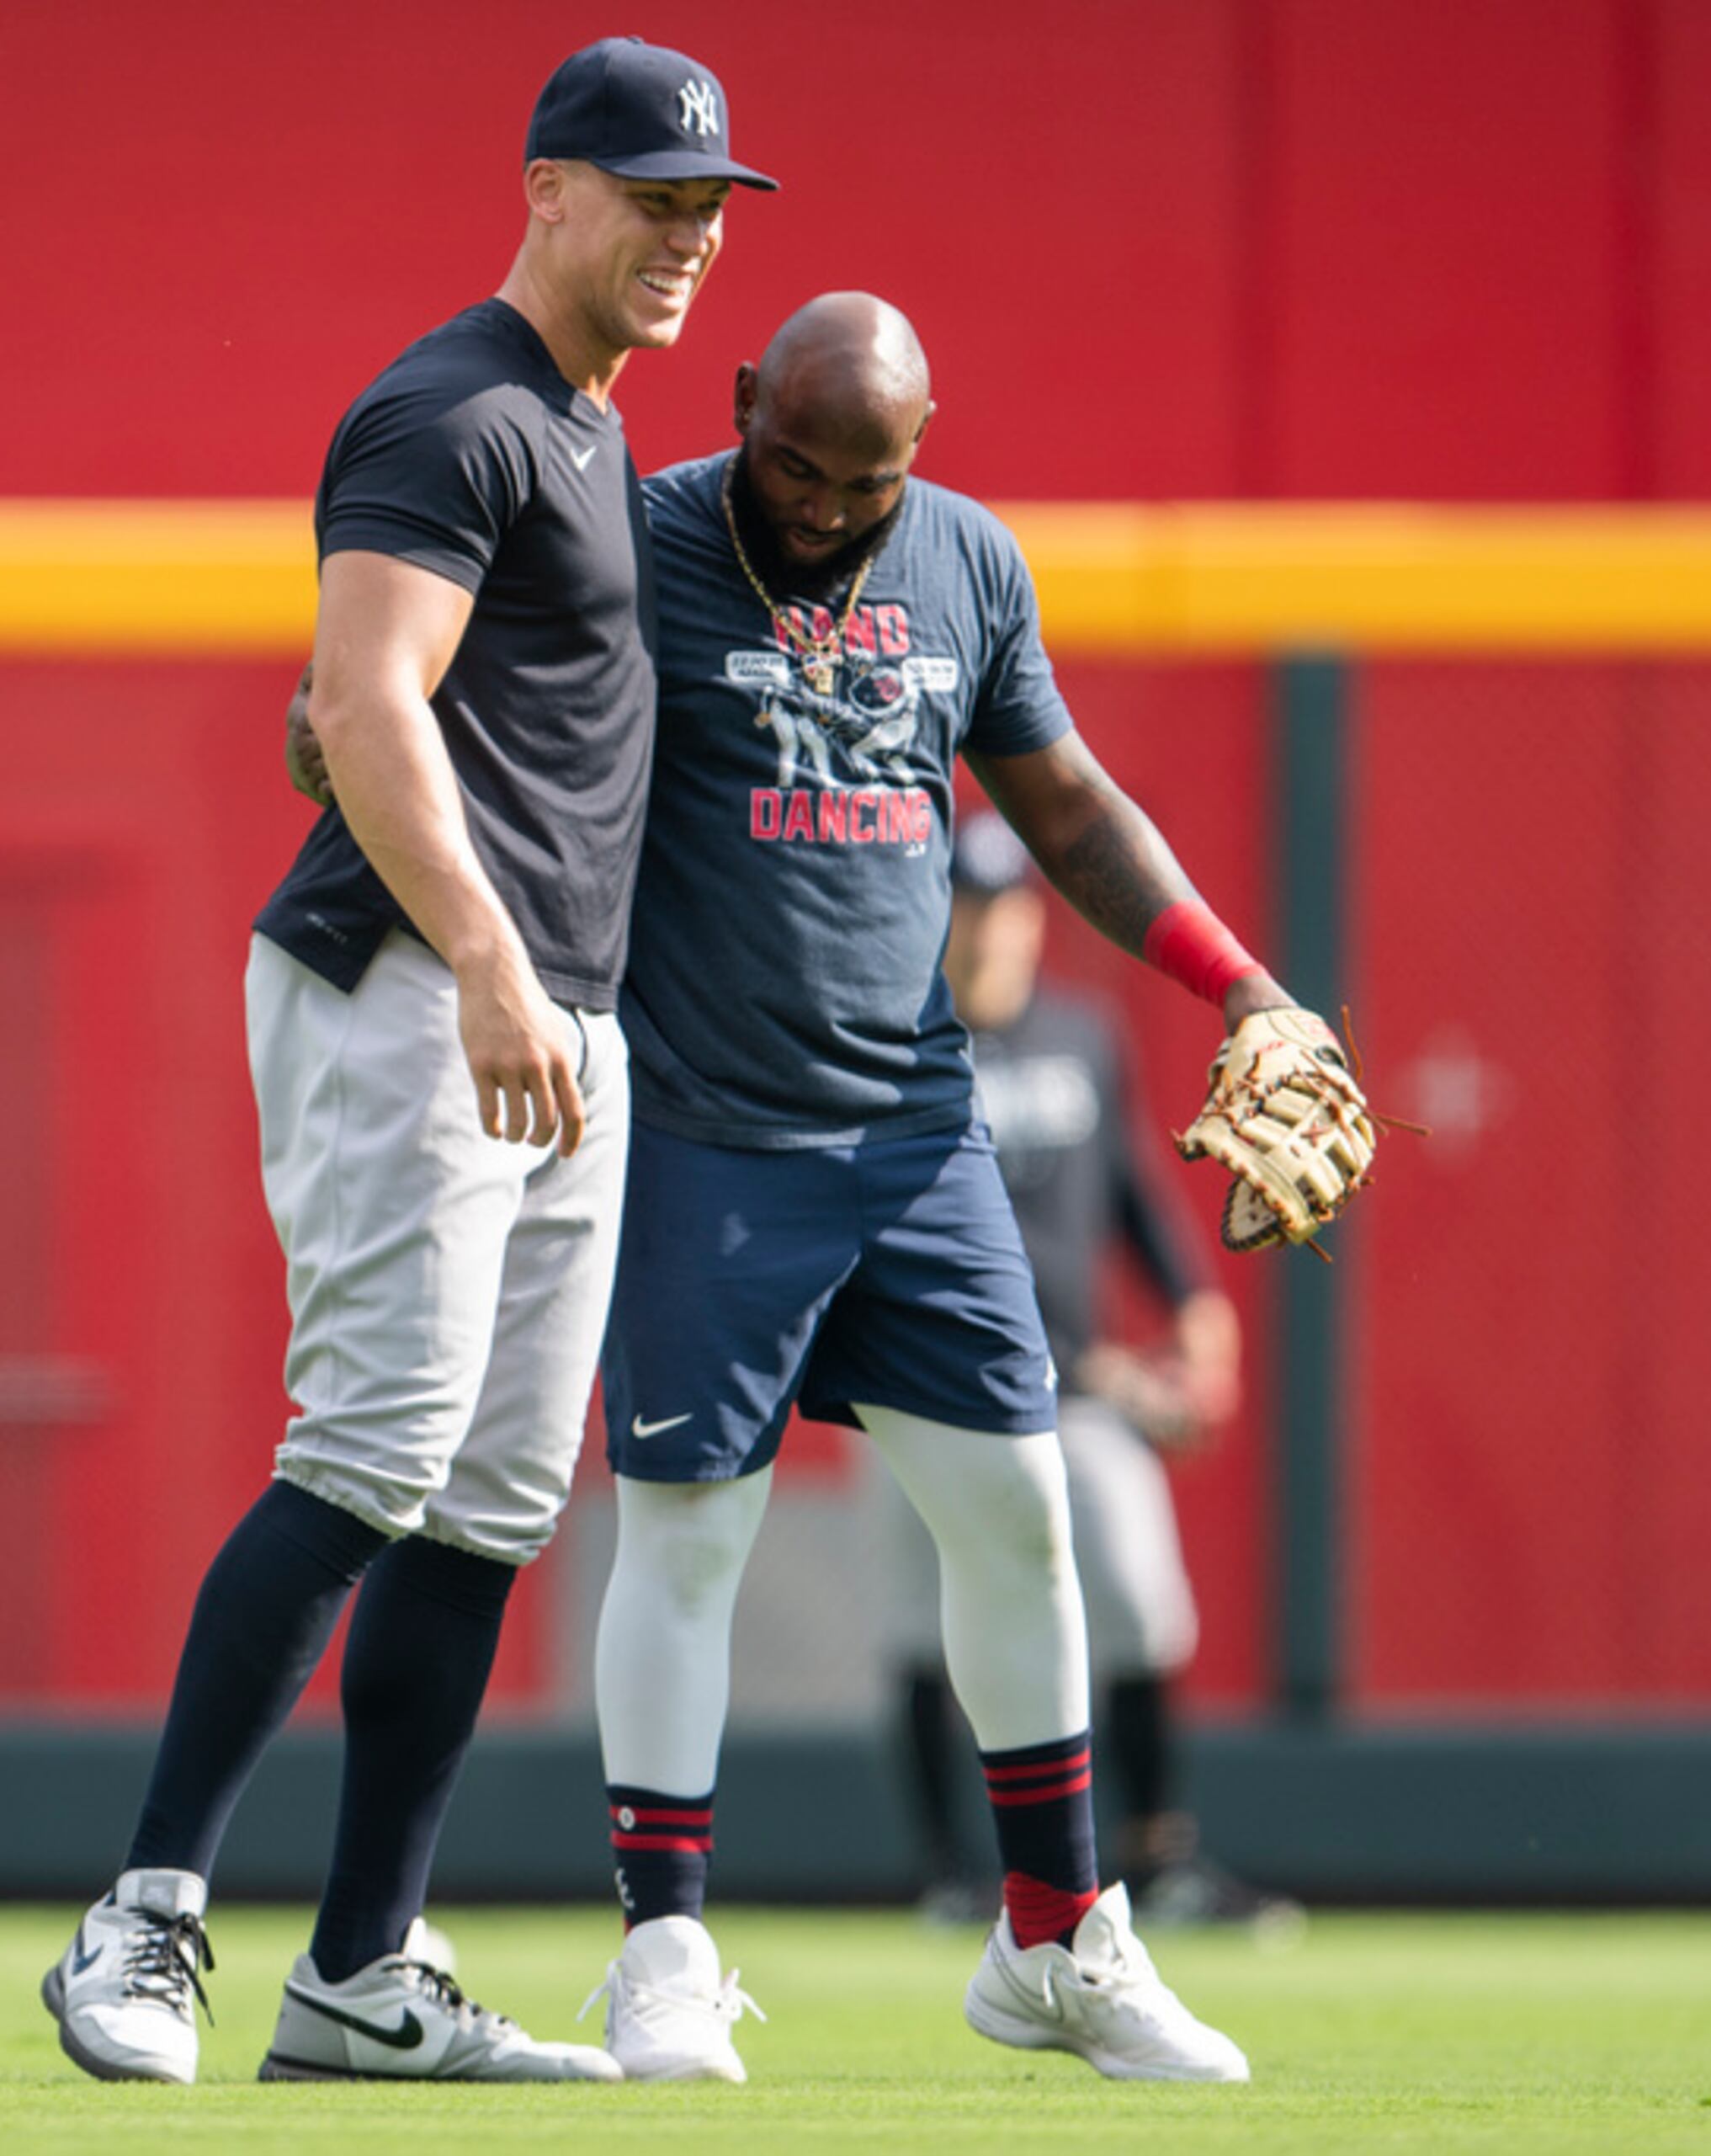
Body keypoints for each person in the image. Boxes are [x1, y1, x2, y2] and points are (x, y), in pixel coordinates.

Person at [301, 294, 1321, 2084]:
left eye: (871, 478)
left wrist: (1240, 982)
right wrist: (347, 729)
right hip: (704, 1120)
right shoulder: (642, 529)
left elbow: (1065, 802)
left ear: (922, 452)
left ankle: (1059, 1936)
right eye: (799, 461)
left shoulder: (969, 561)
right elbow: (435, 688)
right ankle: (667, 1947)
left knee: (1020, 1515)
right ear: (744, 401)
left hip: (915, 1129)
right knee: (689, 1533)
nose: (831, 505)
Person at [45, 37, 773, 2088]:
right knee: (370, 1453)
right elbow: (366, 704)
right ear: (547, 187)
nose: (687, 237)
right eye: (652, 195)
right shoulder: (454, 404)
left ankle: (362, 1974)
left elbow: (381, 704)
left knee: (490, 1506)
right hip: (421, 987)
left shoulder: (584, 432)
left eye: (710, 208)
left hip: (554, 1017)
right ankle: (145, 1920)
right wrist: (478, 958)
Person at [887, 813, 1303, 1939]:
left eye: (1007, 905)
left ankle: (1157, 1857)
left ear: (1033, 915)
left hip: (1073, 1396)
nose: (988, 928)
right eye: (967, 906)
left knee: (1133, 1596)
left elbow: (1125, 1184)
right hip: (919, 1380)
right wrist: (1120, 1373)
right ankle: (949, 1872)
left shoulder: (1080, 1034)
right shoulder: (901, 1041)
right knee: (929, 1623)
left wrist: (1195, 1300)